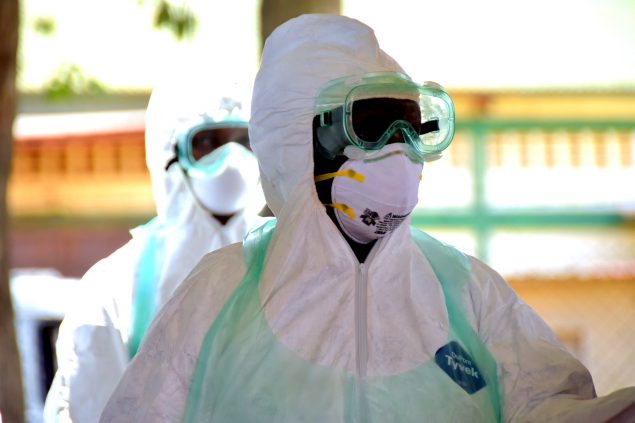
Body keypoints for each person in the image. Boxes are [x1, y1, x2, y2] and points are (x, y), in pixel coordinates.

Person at [100, 14, 635, 423]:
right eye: (372, 125)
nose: (399, 151)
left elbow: (547, 402)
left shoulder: (465, 291)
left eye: (409, 126)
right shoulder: (219, 297)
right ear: (296, 145)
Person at [43, 73, 265, 423]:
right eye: (207, 142)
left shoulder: (294, 268)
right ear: (168, 152)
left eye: (245, 140)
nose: (232, 158)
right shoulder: (114, 289)